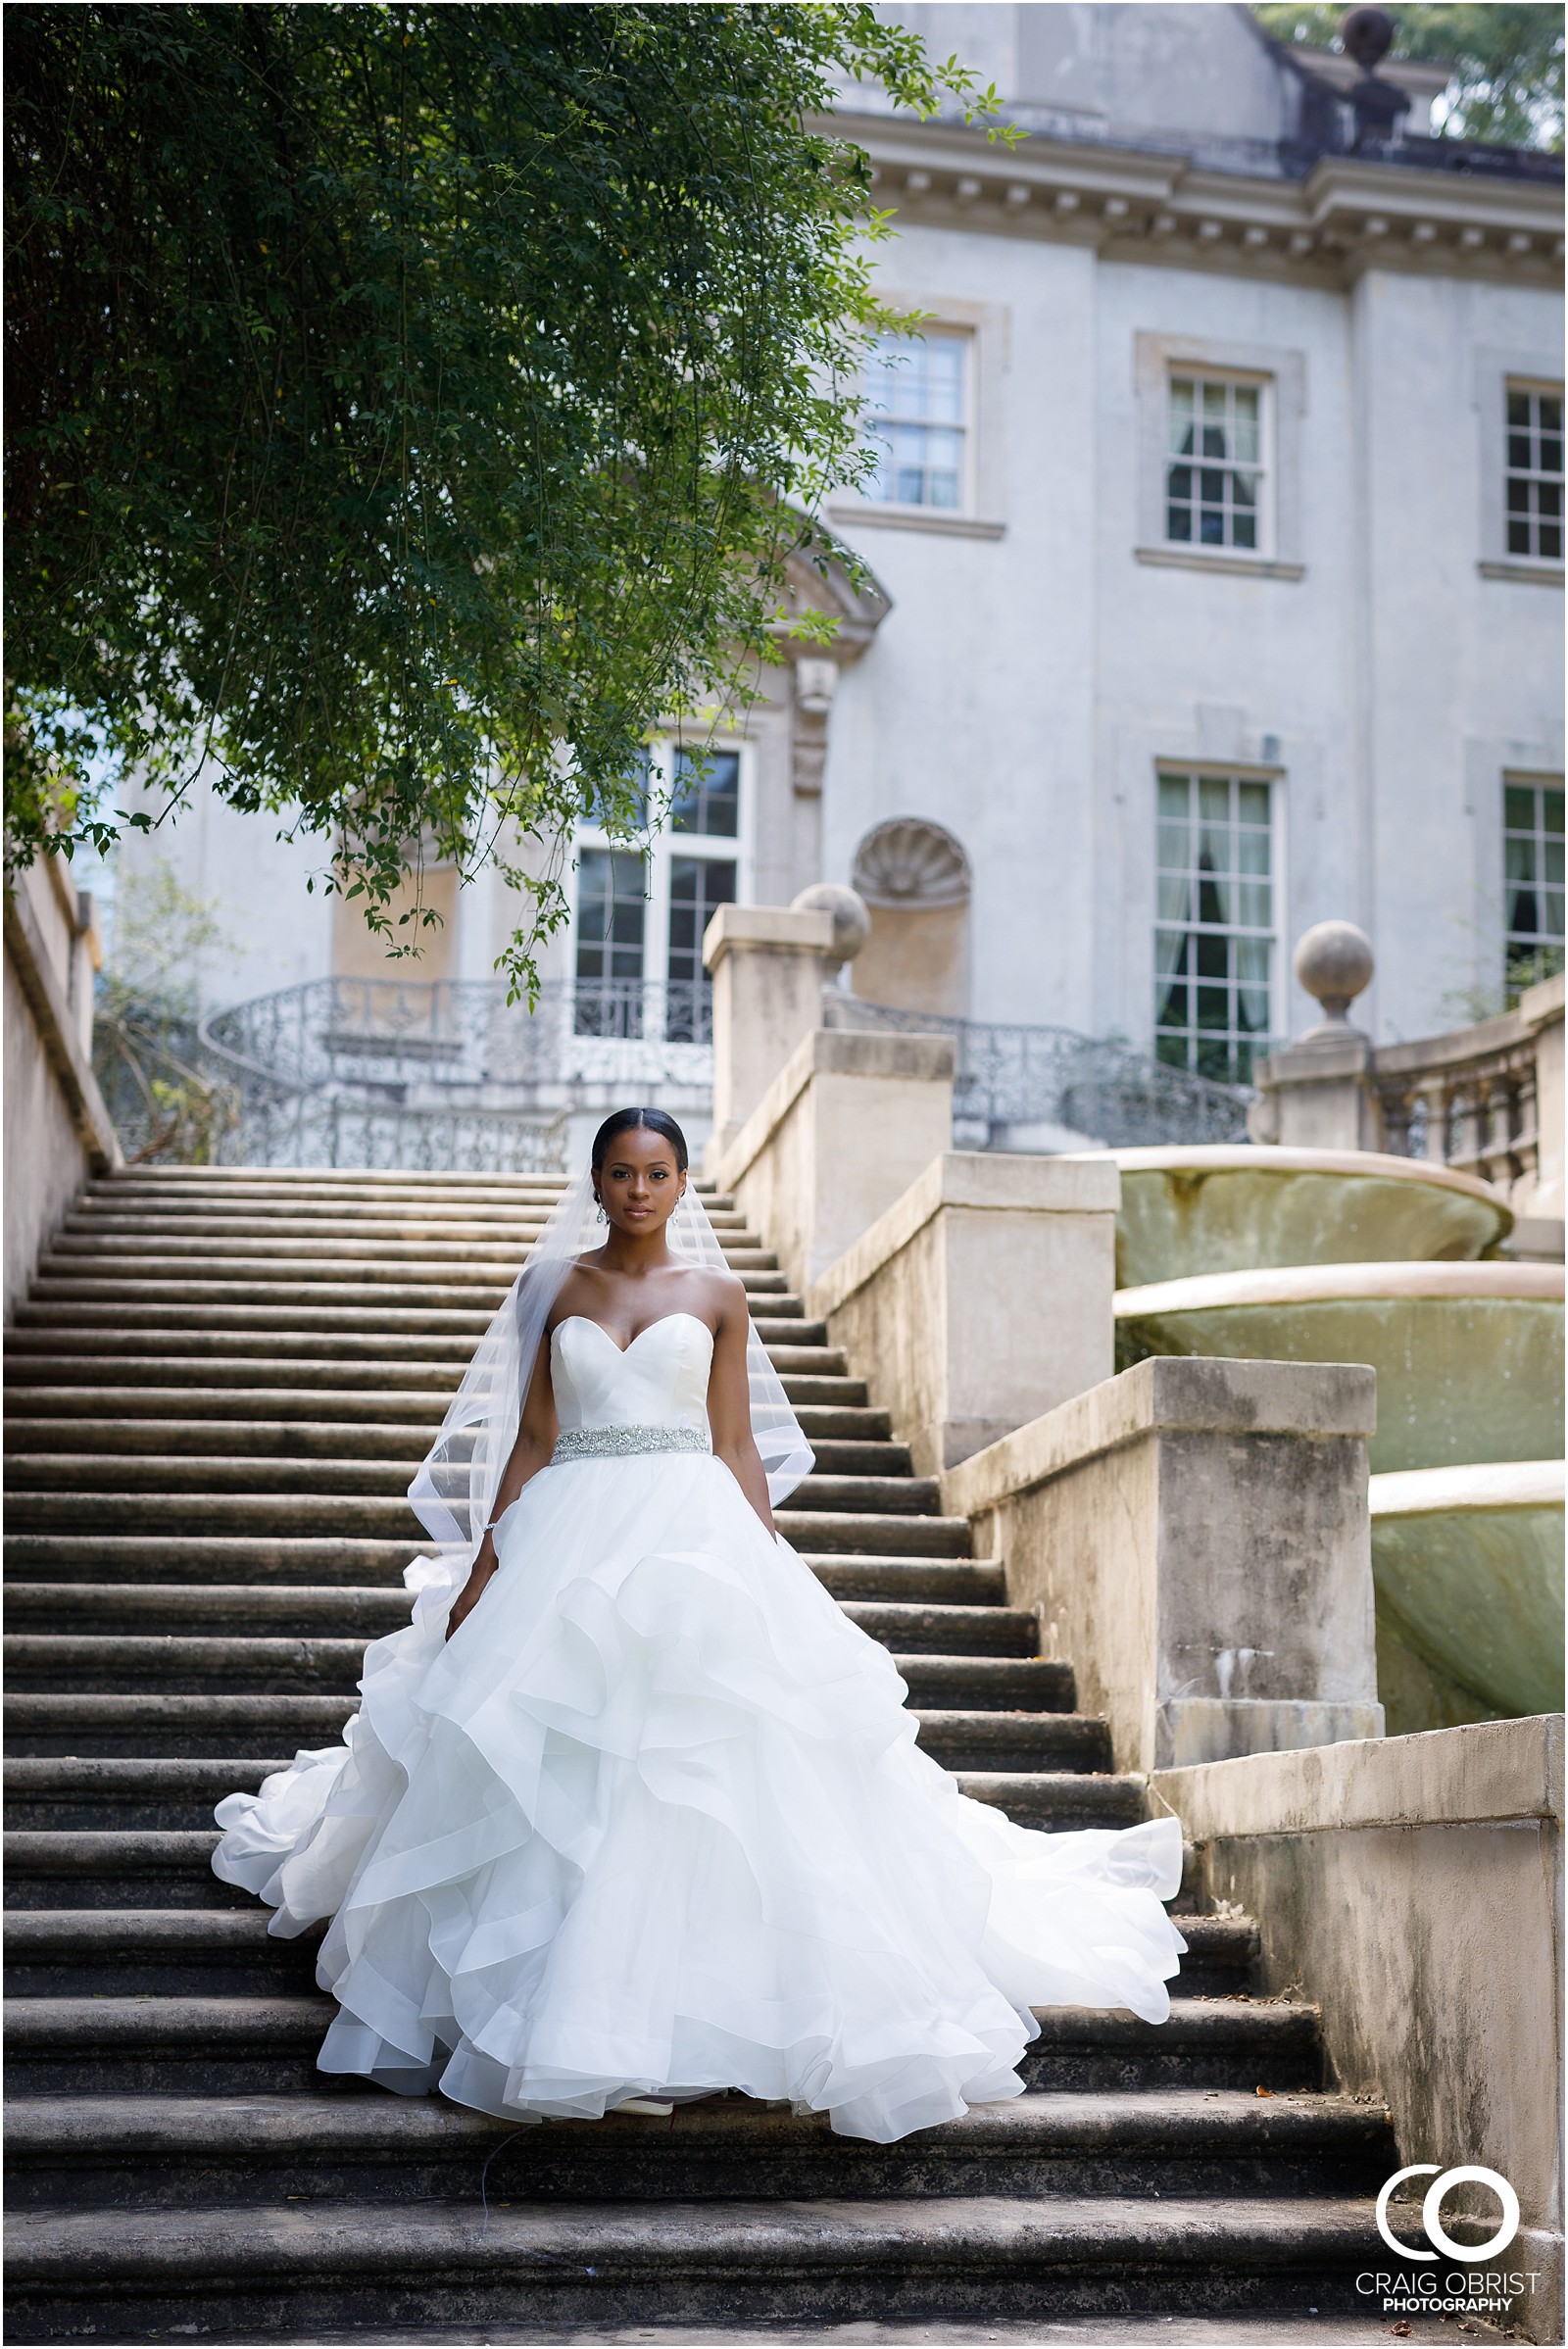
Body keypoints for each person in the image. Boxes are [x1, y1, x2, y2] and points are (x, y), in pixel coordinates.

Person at [214, 1107, 1185, 2144]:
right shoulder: (548, 1289)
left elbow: (734, 1444)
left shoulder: (719, 1297)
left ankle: (684, 2018)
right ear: (595, 1181)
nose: (639, 1190)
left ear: (683, 1184)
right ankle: (570, 2015)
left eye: (658, 1172)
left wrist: (760, 1564)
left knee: (694, 1770)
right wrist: (485, 1565)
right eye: (622, 1173)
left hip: (689, 1538)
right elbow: (537, 1436)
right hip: (570, 1544)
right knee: (565, 1765)